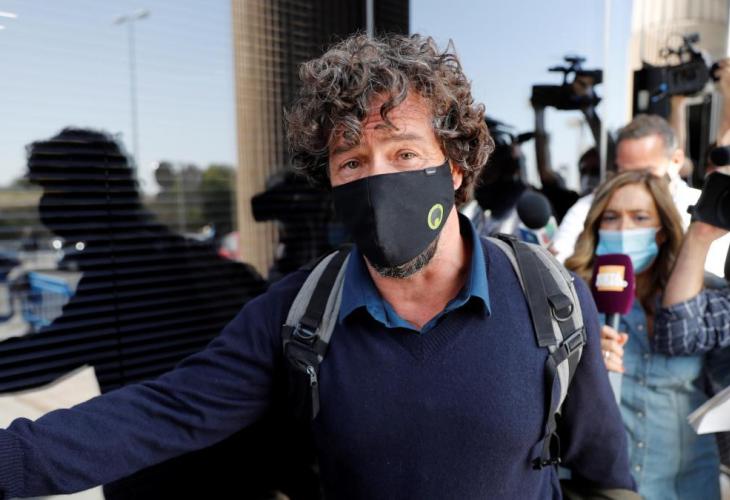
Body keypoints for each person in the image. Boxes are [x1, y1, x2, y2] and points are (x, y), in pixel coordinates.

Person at [0, 34, 635, 499]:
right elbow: (164, 413)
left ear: (455, 167)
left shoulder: (547, 298)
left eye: (404, 152)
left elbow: (606, 475)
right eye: (351, 162)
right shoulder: (298, 314)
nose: (378, 179)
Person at [565, 170, 720, 499]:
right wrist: (583, 364)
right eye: (611, 217)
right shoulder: (570, 298)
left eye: (640, 218)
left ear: (662, 232)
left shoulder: (702, 293)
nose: (624, 229)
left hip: (689, 485)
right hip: (606, 488)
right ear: (596, 226)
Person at [552, 114, 730, 279]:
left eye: (646, 172)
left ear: (676, 160)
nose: (634, 181)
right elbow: (559, 268)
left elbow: (712, 279)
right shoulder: (590, 206)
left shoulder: (707, 211)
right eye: (624, 172)